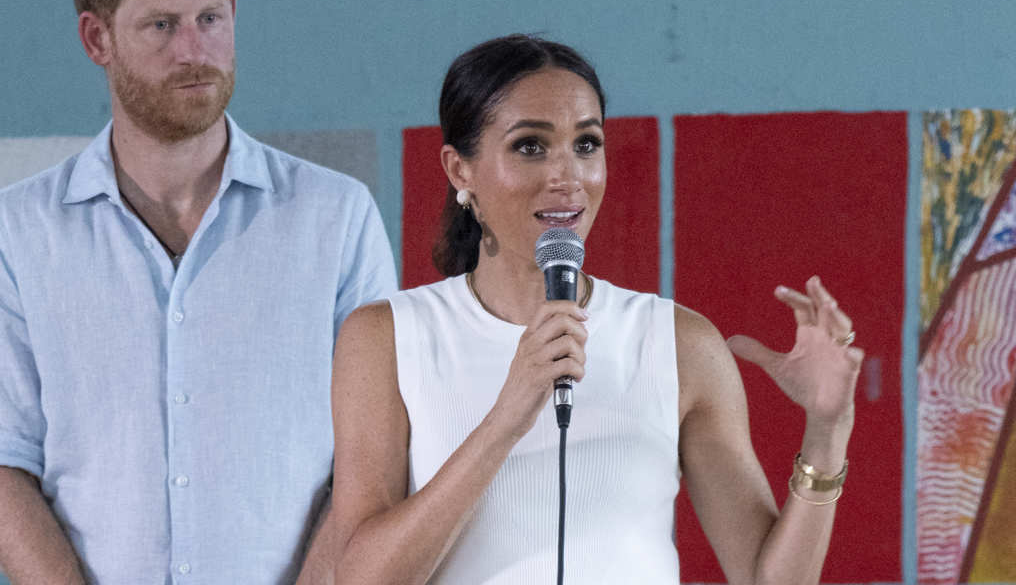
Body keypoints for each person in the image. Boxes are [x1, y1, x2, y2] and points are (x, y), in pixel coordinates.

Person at [0, 0, 397, 584]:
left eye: (209, 19)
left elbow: (370, 460)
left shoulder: (335, 219)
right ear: (97, 39)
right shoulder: (14, 232)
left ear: (235, 15)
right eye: (161, 25)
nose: (195, 51)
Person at [326, 34, 864, 584]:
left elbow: (766, 579)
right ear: (460, 170)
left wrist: (828, 431)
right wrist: (507, 417)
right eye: (530, 146)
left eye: (586, 145)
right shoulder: (388, 338)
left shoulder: (677, 343)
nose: (569, 178)